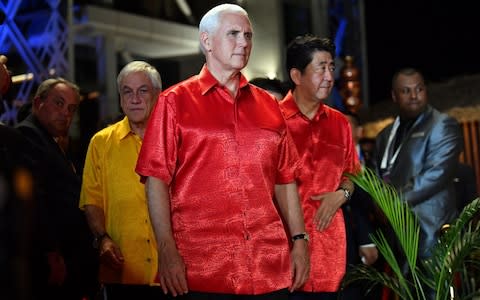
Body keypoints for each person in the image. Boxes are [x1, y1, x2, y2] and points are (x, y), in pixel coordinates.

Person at [135, 4, 309, 299]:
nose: (244, 42)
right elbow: (156, 180)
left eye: (248, 35)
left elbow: (285, 179)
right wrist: (166, 250)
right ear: (207, 41)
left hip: (270, 266)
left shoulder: (269, 105)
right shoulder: (173, 102)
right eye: (233, 34)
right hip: (200, 270)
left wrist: (300, 240)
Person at [279, 34, 360, 300]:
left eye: (331, 68)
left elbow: (352, 173)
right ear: (296, 75)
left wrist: (342, 194)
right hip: (284, 249)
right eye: (320, 68)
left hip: (330, 250)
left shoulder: (340, 123)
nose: (329, 76)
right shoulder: (272, 122)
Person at [79, 61, 165, 299]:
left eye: (143, 91)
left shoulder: (177, 140)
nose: (134, 98)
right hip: (122, 270)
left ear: (159, 95)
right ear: (120, 98)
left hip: (171, 271)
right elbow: (91, 200)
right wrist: (102, 238)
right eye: (127, 91)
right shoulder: (101, 142)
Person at [375, 67, 463, 299]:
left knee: (435, 293)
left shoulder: (443, 125)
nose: (414, 95)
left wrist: (391, 202)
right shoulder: (385, 135)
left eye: (419, 89)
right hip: (397, 230)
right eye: (406, 91)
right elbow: (377, 176)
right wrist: (380, 204)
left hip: (431, 229)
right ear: (394, 96)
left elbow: (436, 174)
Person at [16, 78, 99, 300]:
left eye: (71, 108)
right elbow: (35, 199)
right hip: (50, 256)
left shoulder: (50, 140)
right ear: (37, 103)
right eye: (59, 103)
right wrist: (51, 252)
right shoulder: (28, 135)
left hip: (66, 253)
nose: (66, 114)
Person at [340, 112, 380, 300]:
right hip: (350, 242)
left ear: (359, 131)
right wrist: (365, 239)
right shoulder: (333, 162)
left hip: (385, 235)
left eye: (346, 126)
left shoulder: (374, 160)